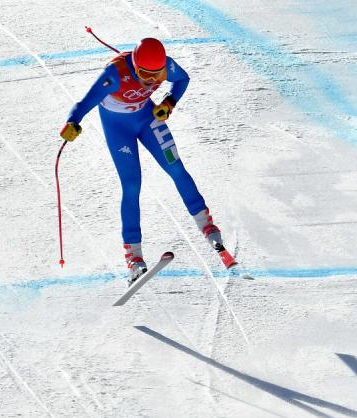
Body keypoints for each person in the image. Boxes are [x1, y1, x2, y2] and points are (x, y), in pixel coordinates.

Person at [59, 37, 236, 283]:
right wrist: (72, 122)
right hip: (117, 128)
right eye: (143, 74)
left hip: (146, 118)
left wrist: (169, 102)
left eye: (156, 76)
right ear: (134, 64)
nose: (150, 81)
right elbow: (84, 103)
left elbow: (183, 79)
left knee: (176, 168)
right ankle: (134, 257)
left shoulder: (165, 66)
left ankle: (207, 226)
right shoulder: (115, 73)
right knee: (132, 186)